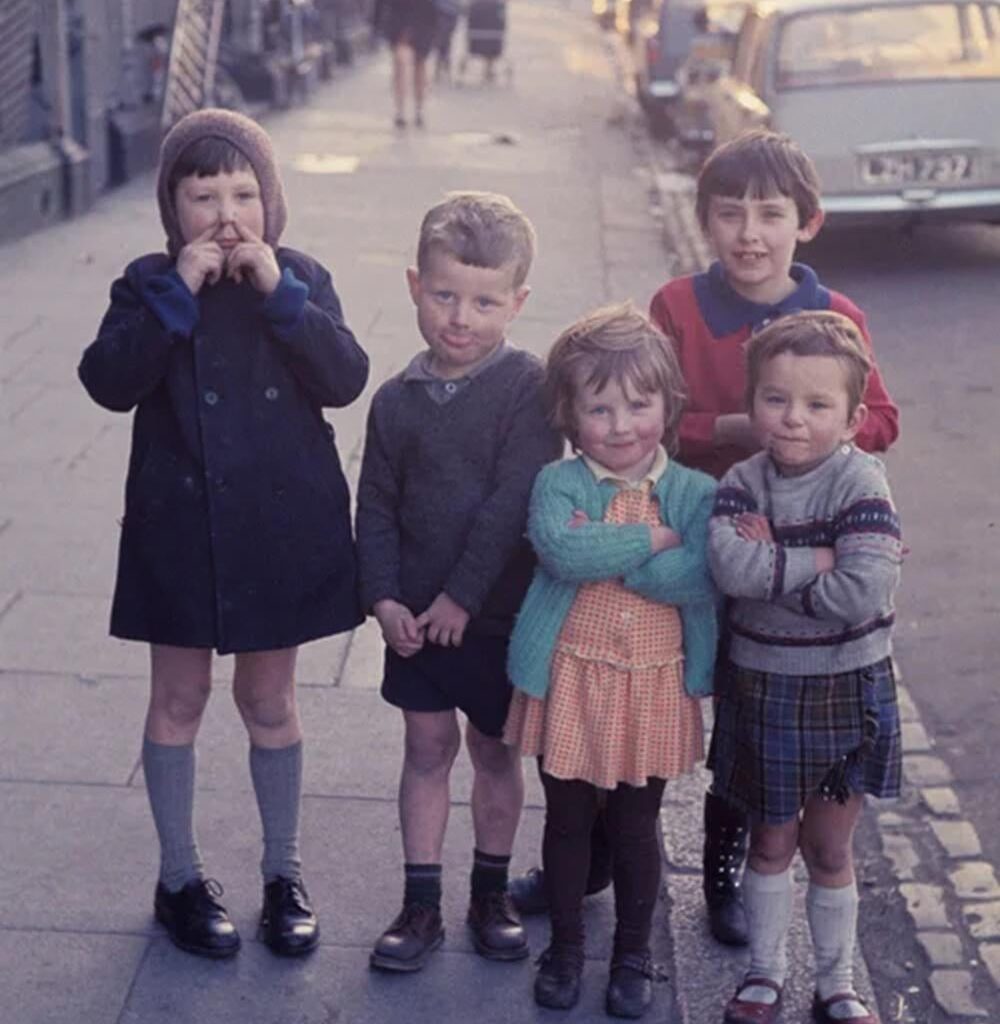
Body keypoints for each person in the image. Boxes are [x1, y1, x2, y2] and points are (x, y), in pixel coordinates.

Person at [508, 128, 900, 947]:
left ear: (808, 222)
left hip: (784, 541)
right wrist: (736, 426)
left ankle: (721, 868)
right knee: (638, 692)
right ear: (705, 221)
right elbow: (653, 410)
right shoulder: (678, 306)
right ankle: (602, 852)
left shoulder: (835, 316)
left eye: (769, 214)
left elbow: (881, 418)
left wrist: (805, 444)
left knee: (743, 716)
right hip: (685, 520)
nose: (749, 234)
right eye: (729, 215)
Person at [77, 109, 369, 959]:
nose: (226, 213)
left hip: (277, 522)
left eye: (244, 193)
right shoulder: (147, 284)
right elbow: (108, 381)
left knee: (269, 700)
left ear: (271, 202)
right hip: (182, 525)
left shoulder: (300, 276)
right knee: (179, 698)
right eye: (203, 196)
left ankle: (284, 872)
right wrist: (179, 294)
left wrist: (282, 294)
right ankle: (179, 878)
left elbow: (346, 377)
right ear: (174, 209)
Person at [356, 191, 562, 973]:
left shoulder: (526, 388)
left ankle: (490, 891)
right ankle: (419, 902)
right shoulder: (396, 401)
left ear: (518, 301)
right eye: (444, 295)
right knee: (425, 745)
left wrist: (462, 598)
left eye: (484, 301)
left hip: (498, 614)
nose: (461, 317)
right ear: (415, 285)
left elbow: (513, 503)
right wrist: (382, 599)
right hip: (413, 615)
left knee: (494, 749)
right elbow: (373, 504)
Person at [504, 304, 719, 1018]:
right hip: (570, 675)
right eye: (600, 408)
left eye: (638, 404)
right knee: (566, 821)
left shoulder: (695, 493)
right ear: (570, 413)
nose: (621, 425)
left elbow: (697, 575)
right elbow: (561, 552)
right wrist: (653, 542)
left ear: (669, 404)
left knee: (635, 826)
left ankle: (633, 952)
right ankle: (565, 946)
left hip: (652, 685)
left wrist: (617, 553)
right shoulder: (558, 485)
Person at [707, 310, 902, 1024]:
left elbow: (866, 589)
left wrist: (778, 564)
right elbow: (730, 567)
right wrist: (821, 560)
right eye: (776, 399)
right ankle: (763, 974)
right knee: (769, 839)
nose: (793, 419)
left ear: (852, 419)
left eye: (818, 405)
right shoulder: (743, 481)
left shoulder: (861, 484)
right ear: (753, 402)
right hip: (764, 683)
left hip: (847, 684)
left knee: (827, 846)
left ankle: (836, 981)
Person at [373, 0, 440, 128]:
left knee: (404, 68)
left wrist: (377, 26)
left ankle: (405, 111)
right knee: (416, 68)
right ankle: (414, 111)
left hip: (407, 21)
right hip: (419, 21)